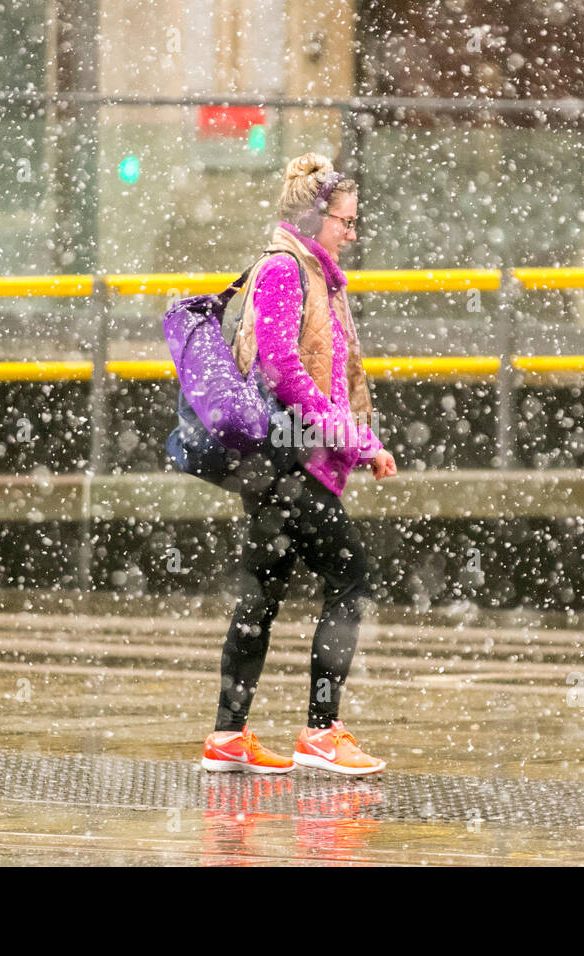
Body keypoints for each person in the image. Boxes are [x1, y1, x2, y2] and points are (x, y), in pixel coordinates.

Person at [200, 153, 397, 776]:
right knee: (351, 579)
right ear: (315, 218)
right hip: (289, 462)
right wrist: (356, 440)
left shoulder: (309, 271)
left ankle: (228, 737)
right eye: (345, 221)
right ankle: (320, 731)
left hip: (274, 464)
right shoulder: (288, 270)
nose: (351, 233)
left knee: (261, 594)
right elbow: (283, 369)